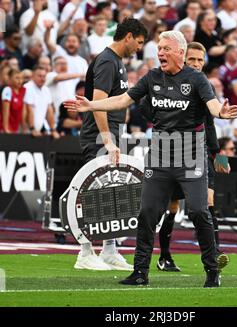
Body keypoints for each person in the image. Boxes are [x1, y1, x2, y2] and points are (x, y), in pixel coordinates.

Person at [64, 30, 237, 287]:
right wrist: (91, 105)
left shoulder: (198, 80)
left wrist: (222, 114)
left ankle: (212, 271)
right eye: (159, 49)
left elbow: (213, 109)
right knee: (147, 213)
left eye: (166, 49)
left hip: (190, 155)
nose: (160, 53)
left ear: (180, 52)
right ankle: (140, 272)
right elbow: (123, 100)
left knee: (200, 212)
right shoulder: (152, 77)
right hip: (159, 156)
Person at [137, 42, 230, 273]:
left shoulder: (202, 84)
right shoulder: (165, 81)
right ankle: (165, 256)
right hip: (168, 154)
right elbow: (143, 103)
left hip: (198, 152)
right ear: (184, 59)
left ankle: (214, 255)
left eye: (201, 60)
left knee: (206, 204)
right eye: (193, 60)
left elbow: (210, 122)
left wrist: (217, 153)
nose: (197, 64)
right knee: (172, 207)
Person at [72, 18, 147, 272]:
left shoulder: (118, 62)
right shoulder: (106, 61)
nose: (139, 48)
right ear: (128, 36)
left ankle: (109, 250)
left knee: (113, 191)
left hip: (113, 133)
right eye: (138, 42)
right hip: (99, 135)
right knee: (93, 192)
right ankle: (84, 252)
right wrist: (107, 139)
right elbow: (98, 103)